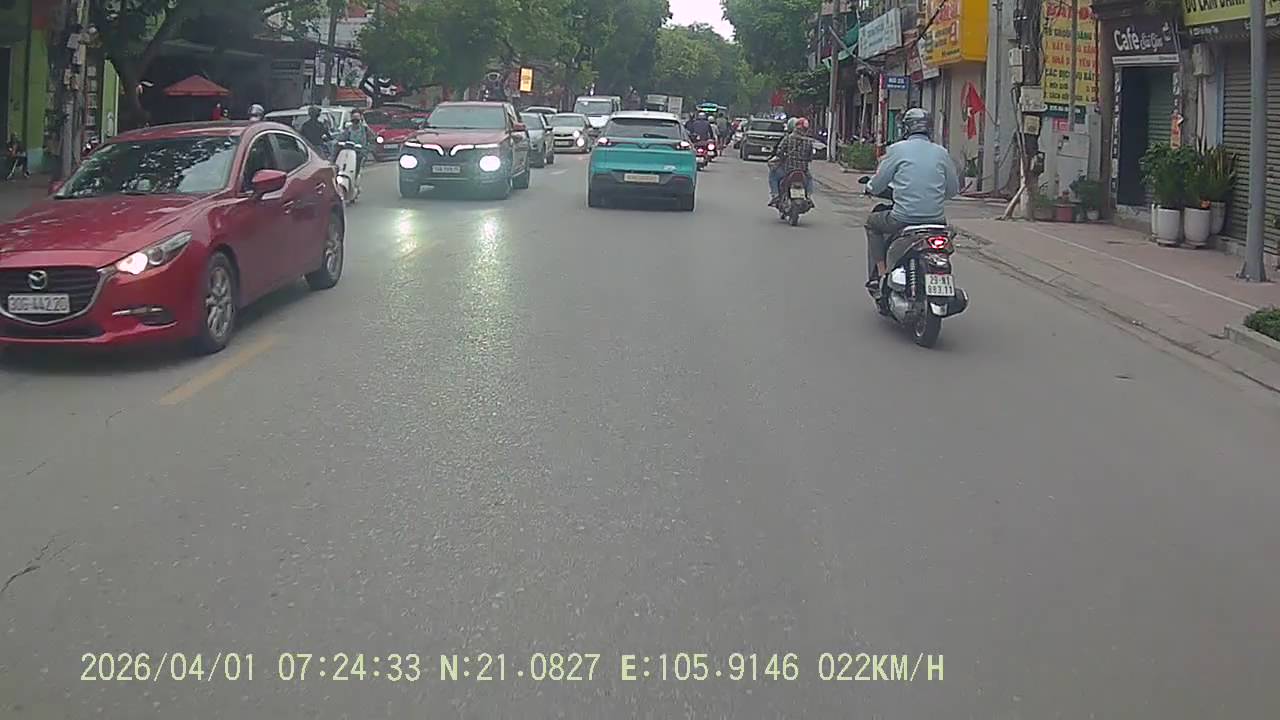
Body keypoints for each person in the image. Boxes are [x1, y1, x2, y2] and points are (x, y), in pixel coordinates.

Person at [863, 107, 959, 292]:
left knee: (872, 223)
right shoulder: (941, 152)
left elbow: (878, 183)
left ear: (906, 128)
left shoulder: (897, 150)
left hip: (903, 219)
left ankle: (880, 274)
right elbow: (952, 190)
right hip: (936, 221)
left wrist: (870, 188)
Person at [766, 117, 815, 207]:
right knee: (810, 179)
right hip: (803, 171)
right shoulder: (808, 141)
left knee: (773, 175)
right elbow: (810, 157)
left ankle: (775, 195)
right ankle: (808, 197)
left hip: (788, 170)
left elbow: (779, 152)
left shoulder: (788, 138)